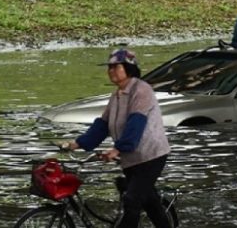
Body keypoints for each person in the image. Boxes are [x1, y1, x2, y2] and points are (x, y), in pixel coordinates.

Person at [58, 48, 171, 228]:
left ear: (128, 68)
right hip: (130, 157)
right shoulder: (117, 94)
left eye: (115, 67)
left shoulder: (141, 90)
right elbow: (103, 125)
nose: (110, 71)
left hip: (151, 155)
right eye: (109, 67)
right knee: (150, 201)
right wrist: (77, 143)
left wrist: (117, 149)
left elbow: (136, 124)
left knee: (132, 199)